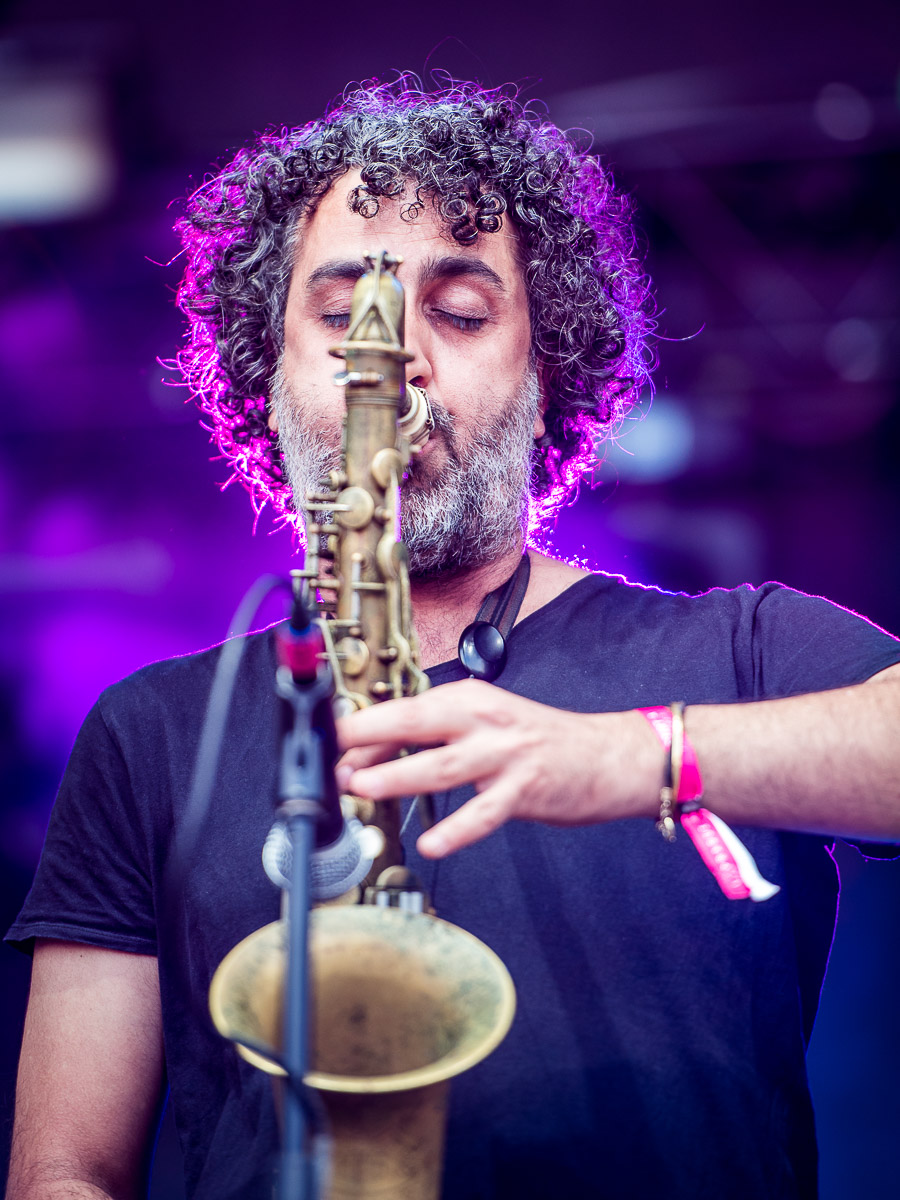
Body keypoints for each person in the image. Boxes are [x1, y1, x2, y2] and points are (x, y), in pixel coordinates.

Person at [6, 77, 900, 1200]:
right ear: (268, 374)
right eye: (343, 318)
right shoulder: (148, 733)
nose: (399, 362)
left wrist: (635, 755)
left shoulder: (742, 651)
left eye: (463, 313)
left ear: (547, 373)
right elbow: (63, 1172)